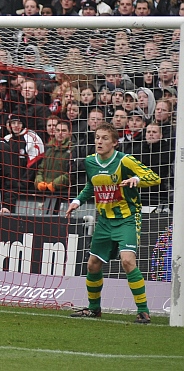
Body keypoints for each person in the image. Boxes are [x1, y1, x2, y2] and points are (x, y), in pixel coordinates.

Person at [66, 123, 160, 324]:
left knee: (127, 261)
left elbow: (154, 177)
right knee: (93, 265)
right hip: (104, 221)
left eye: (104, 138)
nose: (99, 141)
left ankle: (143, 311)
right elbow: (91, 186)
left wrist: (136, 179)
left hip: (127, 218)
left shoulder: (125, 160)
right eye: (97, 137)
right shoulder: (90, 162)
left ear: (115, 142)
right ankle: (94, 309)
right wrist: (77, 201)